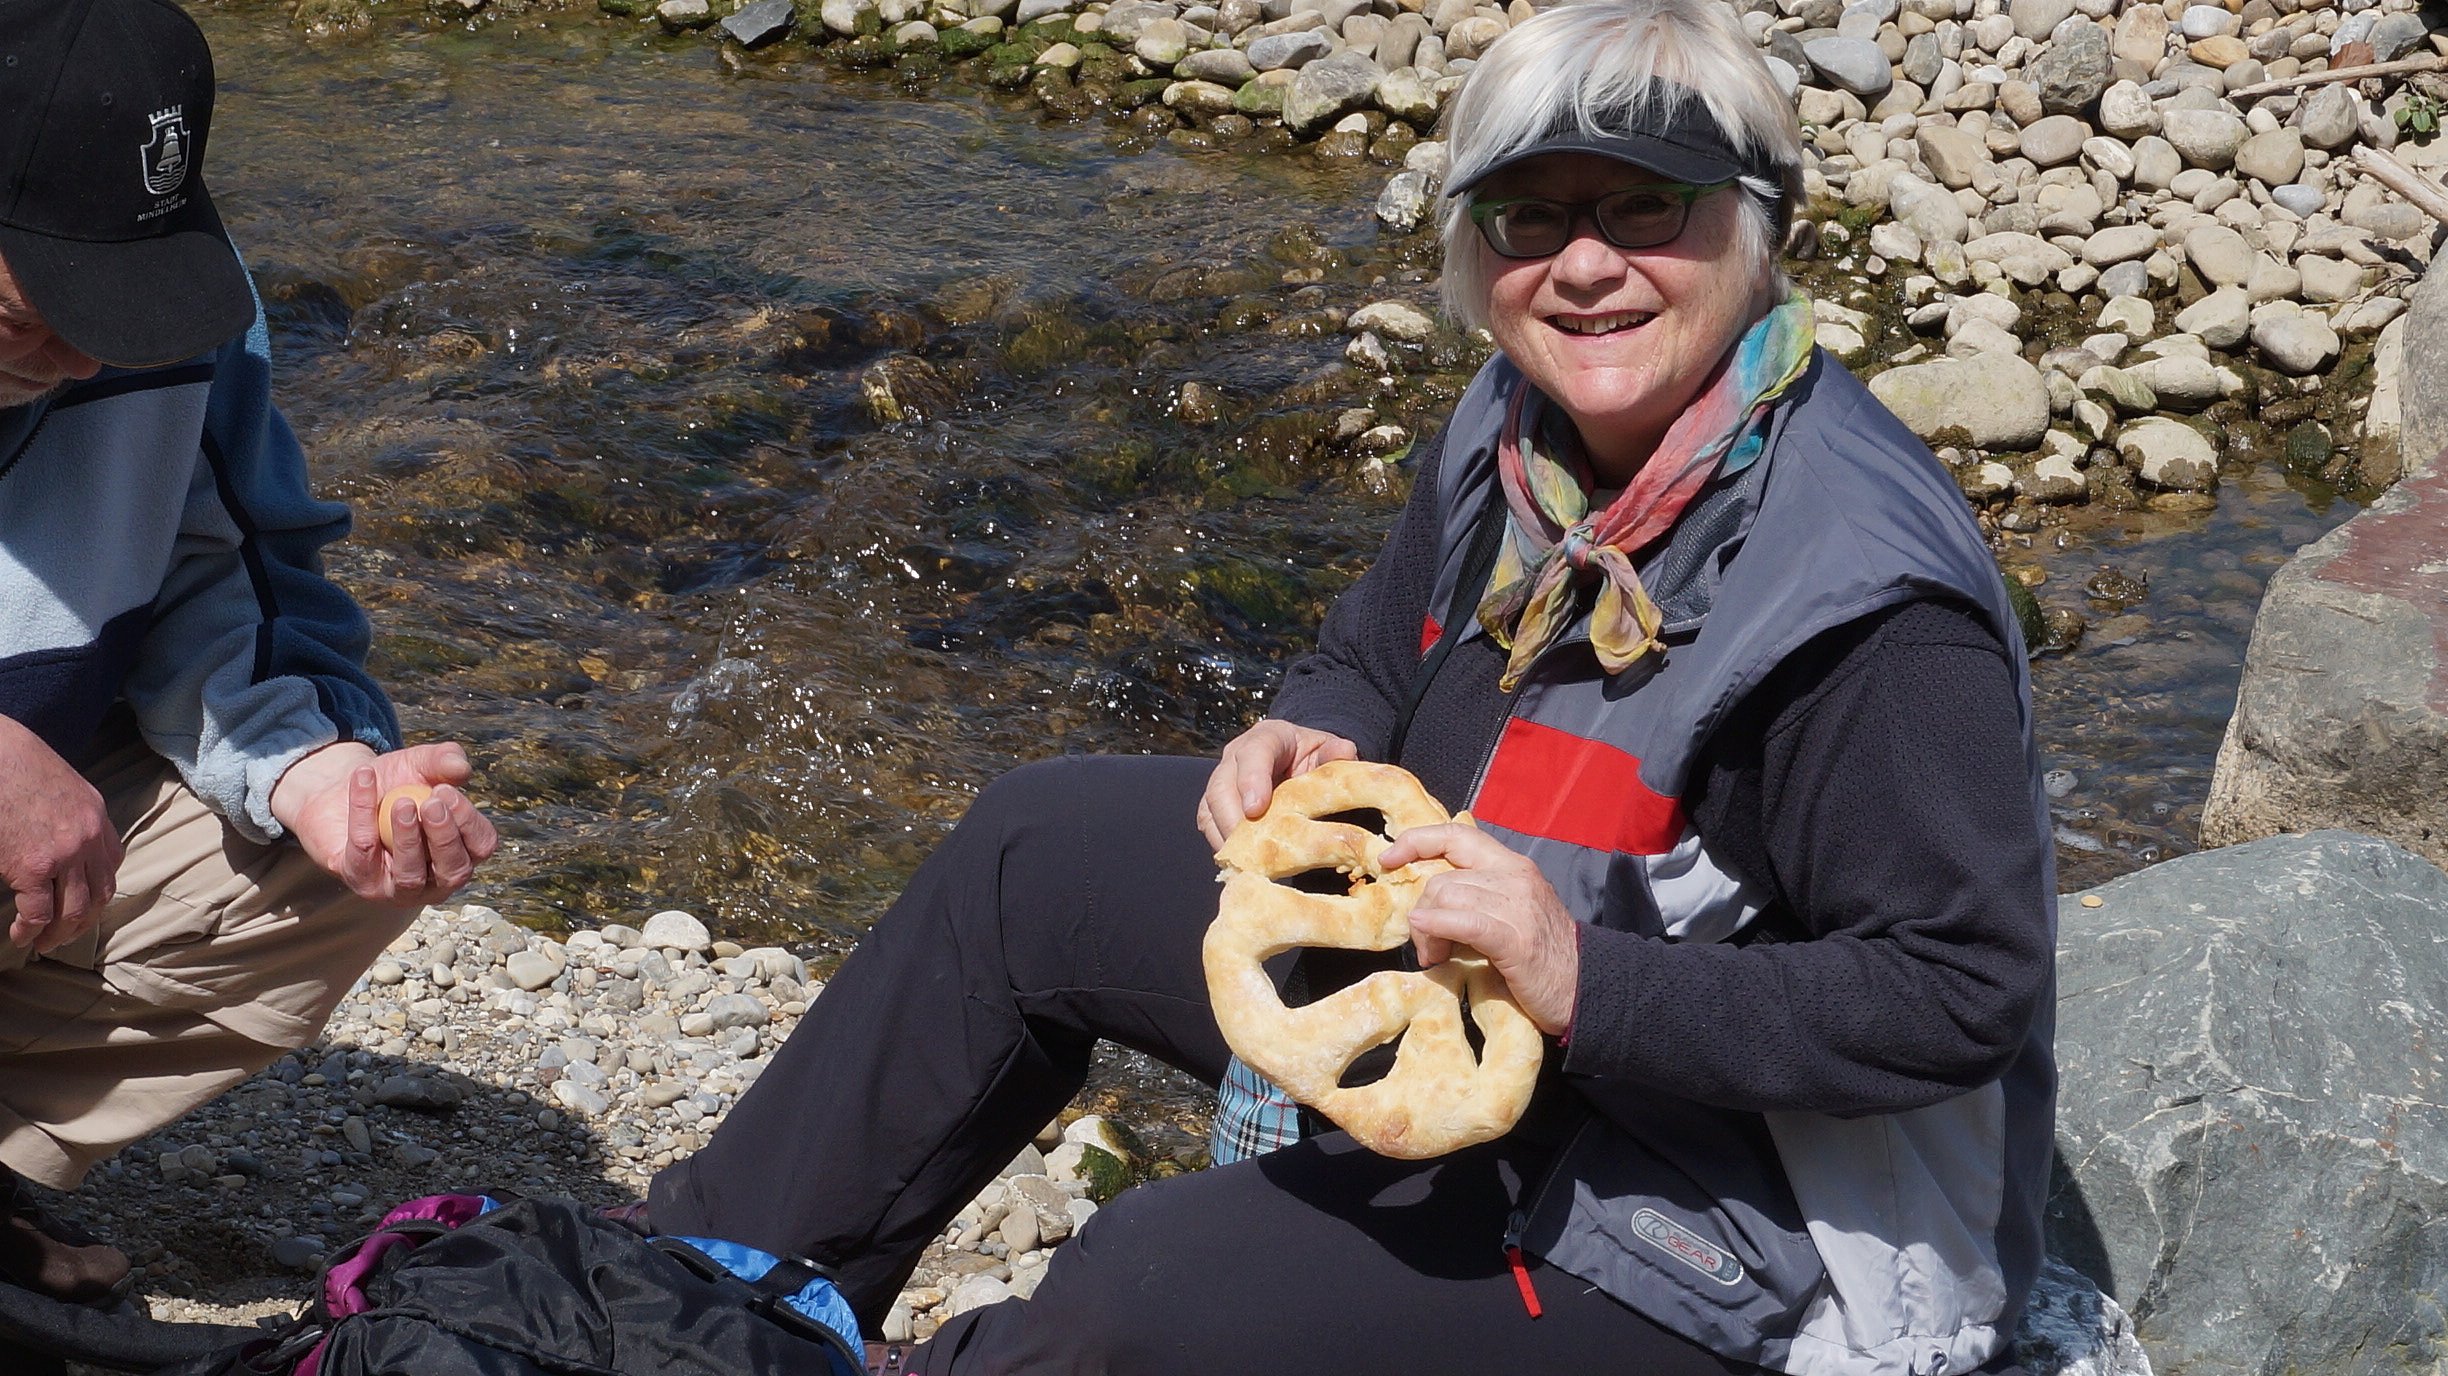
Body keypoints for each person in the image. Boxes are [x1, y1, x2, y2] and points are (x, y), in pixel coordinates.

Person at [646, 1, 2056, 1372]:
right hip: (1472, 981)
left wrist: (1579, 978)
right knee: (1035, 854)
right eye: (1529, 216)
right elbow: (1378, 651)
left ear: (1758, 225)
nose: (1584, 266)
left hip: (1741, 1202)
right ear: (1472, 245)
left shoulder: (1864, 608)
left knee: (1139, 1287)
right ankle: (678, 1300)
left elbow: (1958, 994)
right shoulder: (1525, 425)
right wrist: (1309, 726)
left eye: (1646, 208)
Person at [0, 0, 497, 1305]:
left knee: (336, 857)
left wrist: (310, 774)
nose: (86, 360)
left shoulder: (174, 307)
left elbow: (225, 573)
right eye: (25, 319)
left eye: (118, 306)